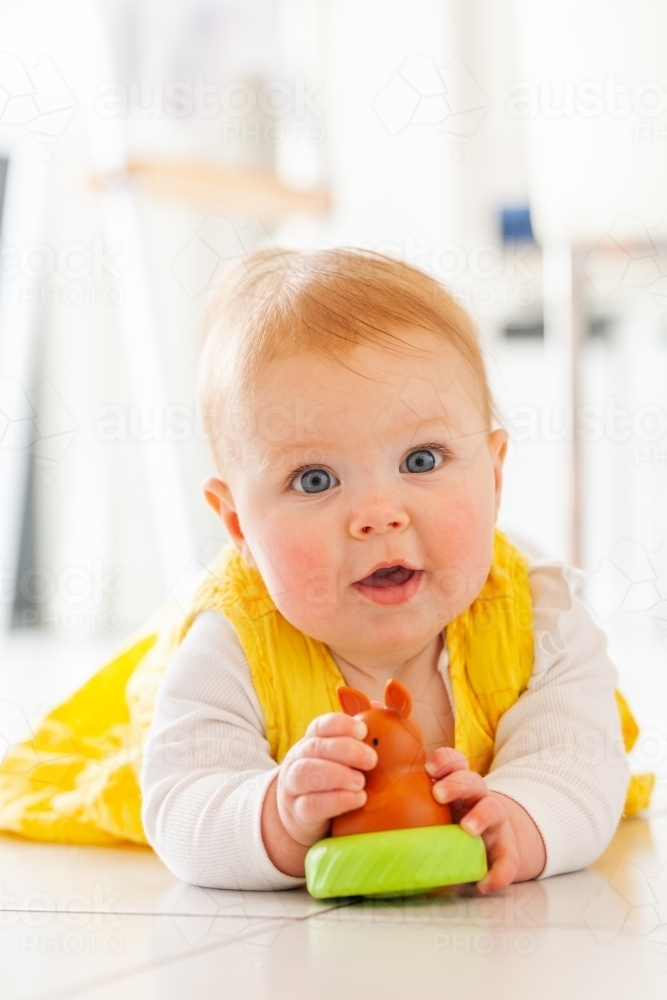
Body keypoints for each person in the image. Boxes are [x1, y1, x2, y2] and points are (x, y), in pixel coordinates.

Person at [140, 247, 635, 892]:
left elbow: (581, 763)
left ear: (494, 474)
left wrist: (517, 817)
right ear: (238, 526)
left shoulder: (539, 618)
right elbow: (182, 801)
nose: (377, 515)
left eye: (422, 460)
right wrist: (277, 816)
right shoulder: (233, 642)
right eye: (314, 479)